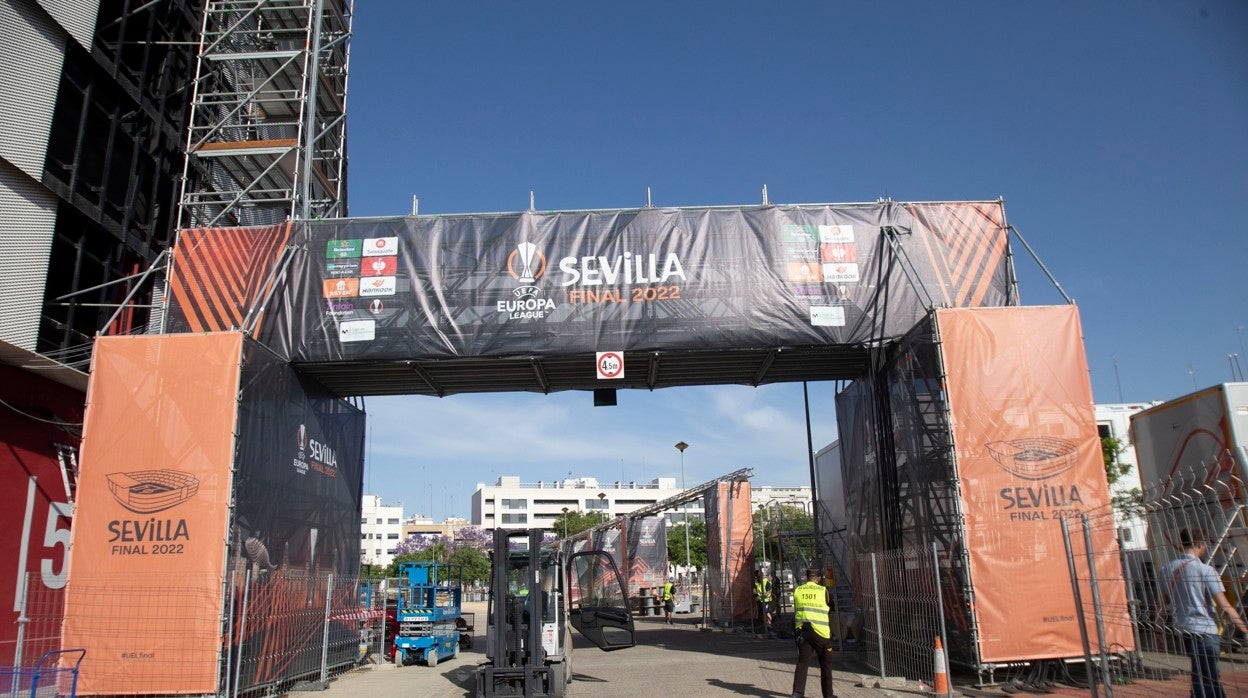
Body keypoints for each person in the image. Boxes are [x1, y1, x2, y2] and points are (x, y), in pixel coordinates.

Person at [1159, 529, 1248, 698]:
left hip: (1184, 628)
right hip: (1205, 629)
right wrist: (1243, 628)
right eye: (1205, 545)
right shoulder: (1206, 570)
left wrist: (1157, 628)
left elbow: (1162, 605)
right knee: (1207, 676)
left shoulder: (1166, 570)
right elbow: (1225, 606)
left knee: (1202, 672)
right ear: (1199, 544)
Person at [791, 568, 835, 698]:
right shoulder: (823, 591)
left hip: (803, 632)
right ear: (818, 579)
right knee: (826, 665)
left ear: (806, 577)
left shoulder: (798, 590)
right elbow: (830, 606)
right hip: (821, 633)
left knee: (802, 663)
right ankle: (828, 695)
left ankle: (797, 693)